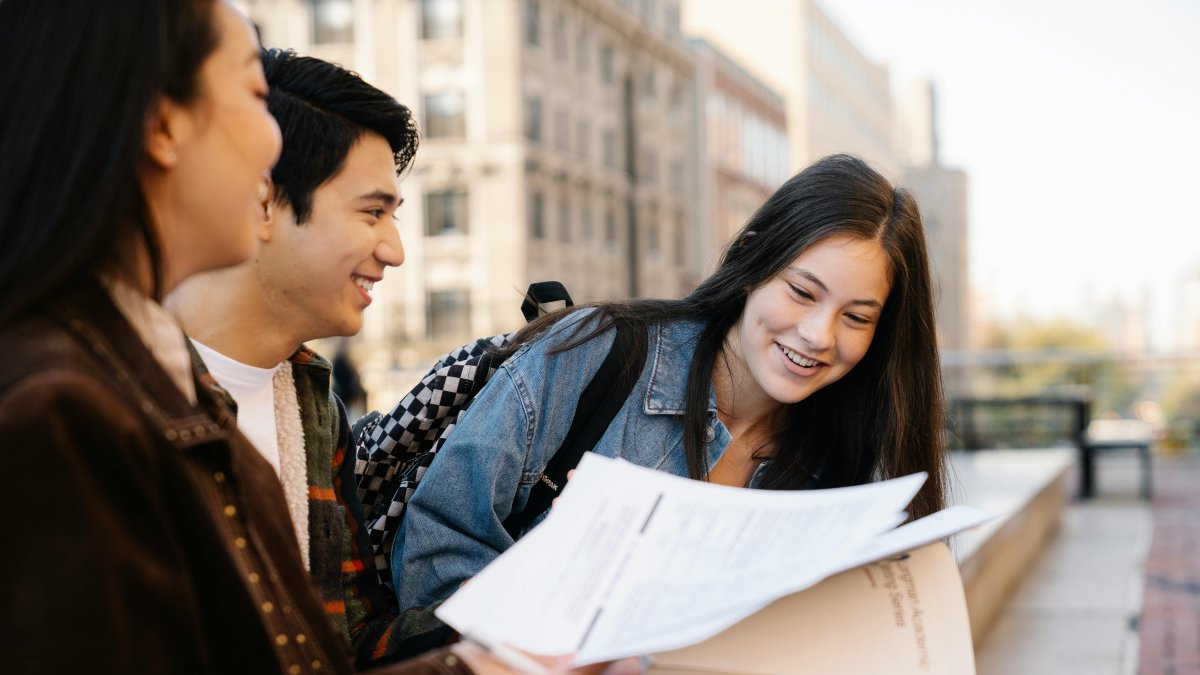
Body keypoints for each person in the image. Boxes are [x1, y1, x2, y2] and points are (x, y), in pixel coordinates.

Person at [0, 2, 578, 673]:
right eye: (251, 94)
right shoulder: (61, 405)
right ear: (161, 127)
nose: (269, 142)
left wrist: (527, 605)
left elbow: (331, 643)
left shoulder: (290, 400)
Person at [391, 154, 949, 612]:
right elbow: (434, 553)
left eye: (857, 317)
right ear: (752, 258)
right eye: (802, 292)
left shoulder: (848, 460)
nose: (818, 335)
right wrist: (556, 589)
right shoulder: (594, 352)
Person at [165, 48, 451, 667]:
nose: (394, 250)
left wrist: (530, 587)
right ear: (263, 202)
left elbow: (348, 640)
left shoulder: (311, 403)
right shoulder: (113, 388)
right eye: (373, 212)